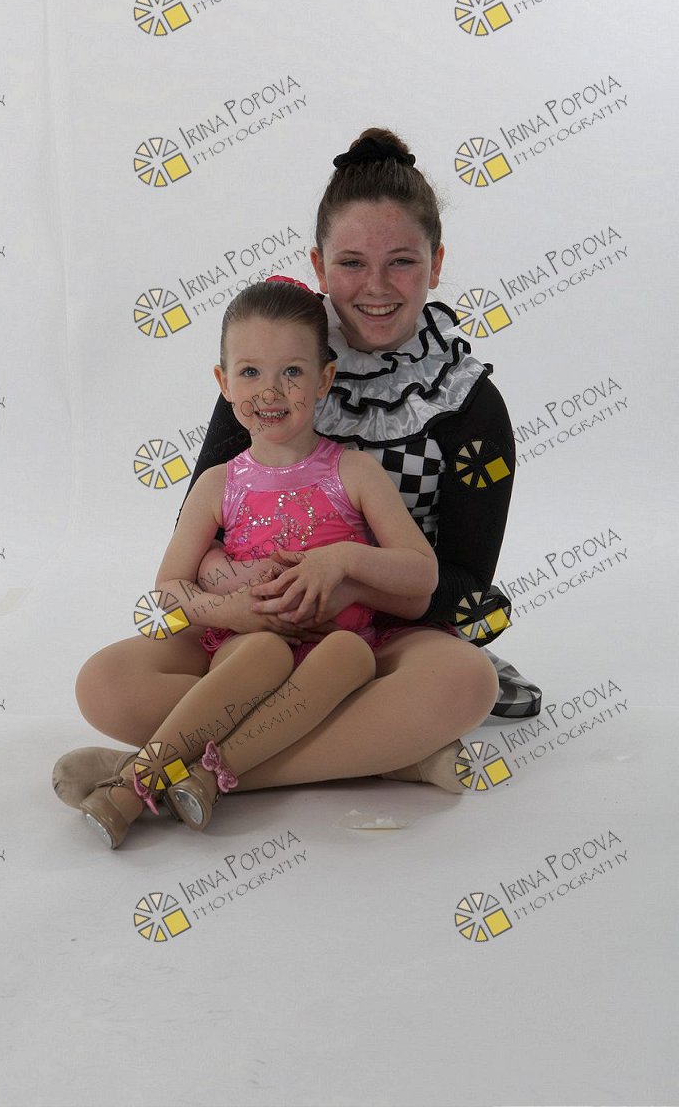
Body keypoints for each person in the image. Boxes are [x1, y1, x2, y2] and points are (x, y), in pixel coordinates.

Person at [53, 126, 540, 830]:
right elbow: (204, 527)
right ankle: (389, 756)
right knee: (105, 684)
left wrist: (345, 580)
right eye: (352, 263)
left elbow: (462, 587)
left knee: (465, 681)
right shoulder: (276, 365)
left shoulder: (469, 406)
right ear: (318, 264)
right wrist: (252, 594)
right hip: (254, 630)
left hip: (382, 634)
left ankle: (157, 773)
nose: (376, 286)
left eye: (402, 262)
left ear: (436, 264)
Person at [74, 277, 440, 848]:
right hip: (248, 652)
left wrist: (343, 559)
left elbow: (421, 577)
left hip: (333, 660)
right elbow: (167, 590)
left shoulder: (354, 472)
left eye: (292, 371)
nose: (270, 391)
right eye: (249, 372)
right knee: (254, 652)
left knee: (351, 652)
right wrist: (233, 612)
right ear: (223, 382)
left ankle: (169, 774)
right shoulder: (219, 484)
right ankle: (162, 779)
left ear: (324, 379)